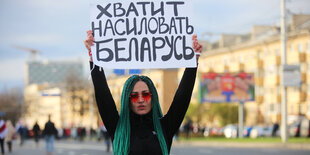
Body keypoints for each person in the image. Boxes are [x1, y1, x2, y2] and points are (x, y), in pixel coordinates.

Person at [84, 30, 202, 154]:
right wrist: (94, 55)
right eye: (134, 96)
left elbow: (182, 97)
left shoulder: (164, 127)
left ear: (153, 97)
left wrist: (193, 61)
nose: (141, 100)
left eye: (145, 94)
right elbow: (103, 94)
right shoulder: (118, 127)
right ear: (127, 101)